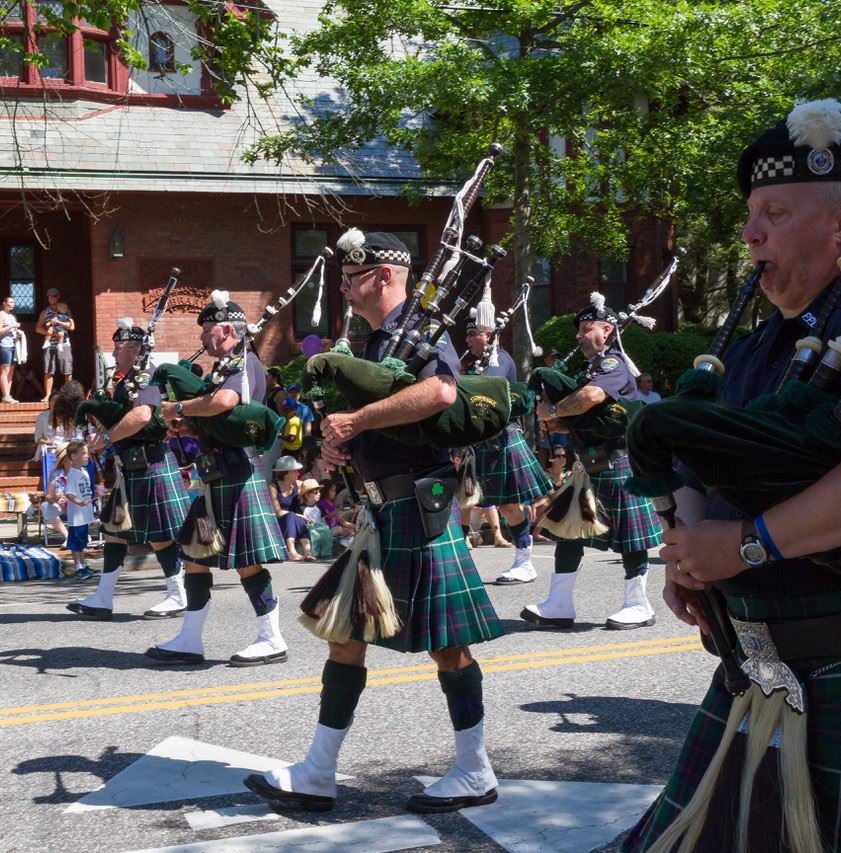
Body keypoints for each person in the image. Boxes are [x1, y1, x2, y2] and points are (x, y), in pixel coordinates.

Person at [624, 100, 841, 852]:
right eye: (752, 213)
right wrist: (689, 546)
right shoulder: (758, 349)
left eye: (774, 213)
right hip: (761, 678)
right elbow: (701, 450)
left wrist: (745, 546)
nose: (751, 233)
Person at [246, 230, 503, 814]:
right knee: (344, 632)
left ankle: (473, 768)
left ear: (383, 276)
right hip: (383, 510)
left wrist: (357, 420)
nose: (343, 285)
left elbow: (439, 392)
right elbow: (374, 422)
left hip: (421, 508)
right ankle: (317, 771)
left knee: (450, 647)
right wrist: (337, 448)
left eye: (352, 275)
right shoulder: (376, 341)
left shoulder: (421, 330)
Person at [146, 289, 289, 667]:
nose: (200, 337)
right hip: (216, 470)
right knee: (194, 554)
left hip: (238, 470)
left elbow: (225, 403)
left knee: (247, 563)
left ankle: (271, 637)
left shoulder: (244, 361)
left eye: (206, 328)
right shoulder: (226, 363)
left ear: (226, 330)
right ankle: (190, 639)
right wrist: (192, 429)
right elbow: (222, 419)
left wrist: (176, 406)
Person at [521, 292, 663, 631]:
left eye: (586, 329)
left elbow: (590, 397)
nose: (579, 336)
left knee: (631, 539)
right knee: (569, 530)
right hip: (588, 464)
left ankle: (638, 604)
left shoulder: (613, 365)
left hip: (617, 462)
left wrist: (554, 410)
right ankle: (558, 603)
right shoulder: (592, 368)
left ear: (607, 331)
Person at [69, 318, 189, 621]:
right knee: (114, 531)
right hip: (131, 466)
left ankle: (178, 595)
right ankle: (103, 597)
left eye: (118, 346)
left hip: (150, 463)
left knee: (161, 535)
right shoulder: (125, 380)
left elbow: (142, 416)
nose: (113, 351)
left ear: (134, 348)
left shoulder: (147, 376)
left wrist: (106, 439)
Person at [461, 319, 550, 585]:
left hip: (501, 440)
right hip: (485, 442)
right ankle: (460, 564)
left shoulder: (498, 358)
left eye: (472, 335)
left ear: (487, 335)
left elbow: (484, 387)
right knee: (466, 500)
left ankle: (525, 562)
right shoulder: (479, 361)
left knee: (509, 505)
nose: (467, 341)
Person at [61, 440, 95, 575]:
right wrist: (80, 502)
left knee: (83, 540)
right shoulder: (72, 473)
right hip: (77, 515)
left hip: (85, 514)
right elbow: (68, 493)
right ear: (74, 456)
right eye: (83, 453)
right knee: (76, 542)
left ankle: (84, 564)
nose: (87, 456)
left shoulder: (85, 472)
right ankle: (78, 567)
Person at [271, 455, 313, 562]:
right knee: (292, 515)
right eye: (295, 471)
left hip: (296, 522)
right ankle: (292, 551)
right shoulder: (273, 487)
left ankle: (308, 552)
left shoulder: (298, 485)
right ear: (286, 473)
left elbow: (312, 494)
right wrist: (298, 515)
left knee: (296, 518)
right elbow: (278, 512)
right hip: (279, 521)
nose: (298, 474)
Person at [36, 289, 74, 402]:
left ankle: (69, 395)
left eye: (53, 296)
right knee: (48, 370)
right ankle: (47, 395)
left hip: (64, 344)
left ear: (58, 297)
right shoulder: (45, 312)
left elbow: (72, 327)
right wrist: (49, 332)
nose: (51, 298)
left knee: (67, 370)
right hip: (50, 345)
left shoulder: (65, 310)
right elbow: (38, 328)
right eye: (49, 297)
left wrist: (59, 323)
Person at [0, 296, 20, 403]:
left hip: (14, 344)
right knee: (4, 370)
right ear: (4, 303)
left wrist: (18, 332)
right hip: (5, 345)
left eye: (14, 302)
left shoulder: (13, 316)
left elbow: (13, 330)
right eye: (11, 302)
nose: (13, 304)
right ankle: (4, 395)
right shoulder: (1, 314)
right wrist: (11, 326)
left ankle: (8, 395)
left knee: (11, 371)